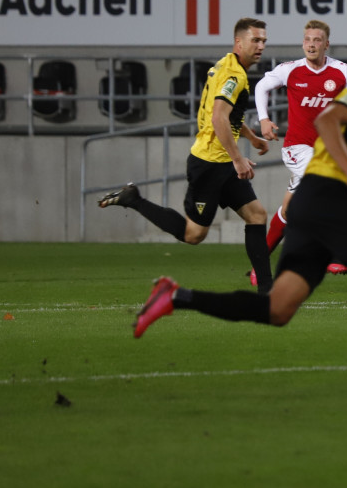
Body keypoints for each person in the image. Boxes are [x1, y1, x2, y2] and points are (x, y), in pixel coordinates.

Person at [132, 40, 347, 403]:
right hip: (328, 197)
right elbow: (327, 120)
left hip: (312, 205)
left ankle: (176, 297)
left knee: (277, 310)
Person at [98, 18, 275, 293]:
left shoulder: (225, 65)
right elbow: (218, 118)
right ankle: (134, 199)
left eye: (263, 40)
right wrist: (239, 158)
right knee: (194, 235)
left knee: (257, 215)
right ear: (238, 43)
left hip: (223, 162)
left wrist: (250, 137)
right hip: (209, 166)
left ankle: (267, 291)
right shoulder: (234, 76)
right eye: (255, 40)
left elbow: (226, 116)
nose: (261, 46)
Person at [251, 19, 347, 283]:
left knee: (289, 211)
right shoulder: (291, 70)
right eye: (307, 40)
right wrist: (264, 119)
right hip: (298, 147)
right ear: (303, 43)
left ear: (326, 44)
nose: (311, 45)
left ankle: (259, 265)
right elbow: (261, 86)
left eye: (317, 40)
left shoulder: (343, 73)